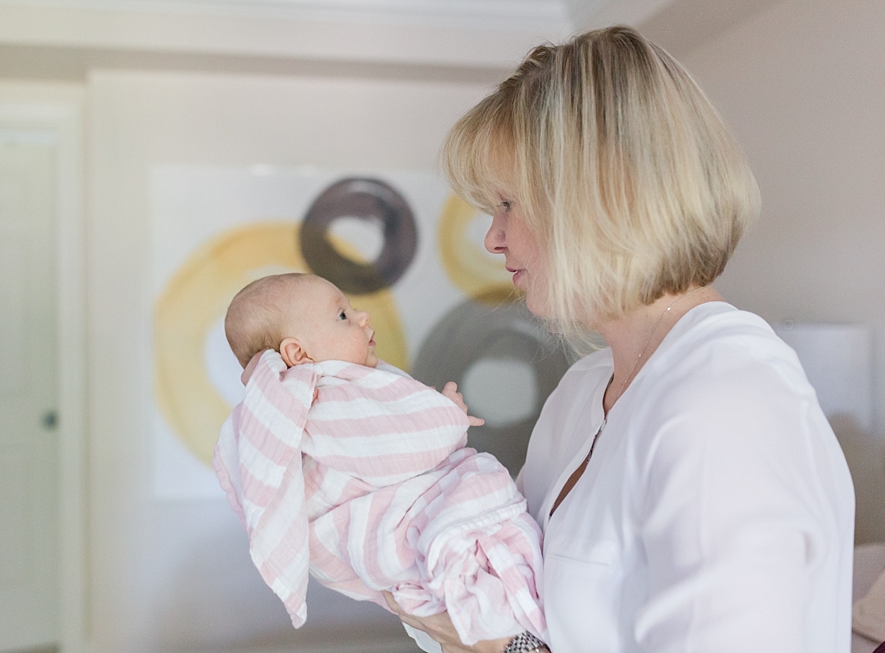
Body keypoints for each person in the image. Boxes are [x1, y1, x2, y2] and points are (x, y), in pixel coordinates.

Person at [384, 25, 856, 653]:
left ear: (599, 192)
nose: (492, 239)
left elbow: (511, 640)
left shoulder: (726, 406)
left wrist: (501, 650)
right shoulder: (581, 394)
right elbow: (502, 596)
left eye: (507, 204)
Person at [213, 272, 548, 652]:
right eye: (341, 315)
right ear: (298, 354)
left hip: (400, 525)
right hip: (390, 530)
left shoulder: (325, 397)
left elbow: (385, 440)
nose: (362, 316)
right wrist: (445, 416)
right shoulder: (321, 401)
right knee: (481, 537)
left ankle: (512, 623)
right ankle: (504, 616)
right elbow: (403, 447)